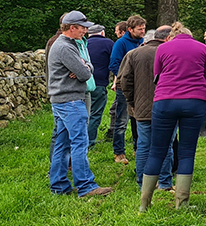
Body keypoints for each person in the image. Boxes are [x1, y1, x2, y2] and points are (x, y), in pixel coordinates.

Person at [137, 24, 206, 212]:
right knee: (186, 152)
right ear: (190, 36)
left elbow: (157, 75)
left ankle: (145, 204)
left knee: (156, 150)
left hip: (165, 101)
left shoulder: (162, 48)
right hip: (194, 101)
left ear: (171, 36)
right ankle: (182, 203)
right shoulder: (203, 48)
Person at [47, 11, 112, 197]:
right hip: (71, 101)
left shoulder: (65, 44)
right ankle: (86, 186)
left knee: (62, 143)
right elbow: (85, 74)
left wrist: (84, 66)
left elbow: (87, 67)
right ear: (72, 27)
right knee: (79, 143)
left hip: (61, 100)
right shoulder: (66, 48)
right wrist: (84, 68)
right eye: (82, 28)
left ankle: (59, 185)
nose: (85, 31)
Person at [117, 25, 173, 208]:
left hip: (141, 108)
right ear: (167, 38)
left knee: (143, 145)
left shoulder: (134, 54)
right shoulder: (170, 52)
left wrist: (131, 101)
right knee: (166, 145)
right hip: (166, 106)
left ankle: (143, 182)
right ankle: (164, 182)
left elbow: (124, 81)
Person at [109, 15, 146, 164]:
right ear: (130, 29)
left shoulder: (143, 42)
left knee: (139, 118)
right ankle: (119, 152)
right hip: (125, 86)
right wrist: (125, 77)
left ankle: (138, 149)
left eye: (144, 28)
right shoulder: (121, 43)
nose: (143, 31)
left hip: (141, 87)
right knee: (122, 120)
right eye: (140, 29)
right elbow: (114, 64)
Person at [85, 24, 114, 146]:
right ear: (102, 33)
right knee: (95, 113)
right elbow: (114, 62)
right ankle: (90, 141)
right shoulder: (108, 44)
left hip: (82, 83)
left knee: (83, 113)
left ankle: (79, 140)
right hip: (99, 83)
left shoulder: (83, 43)